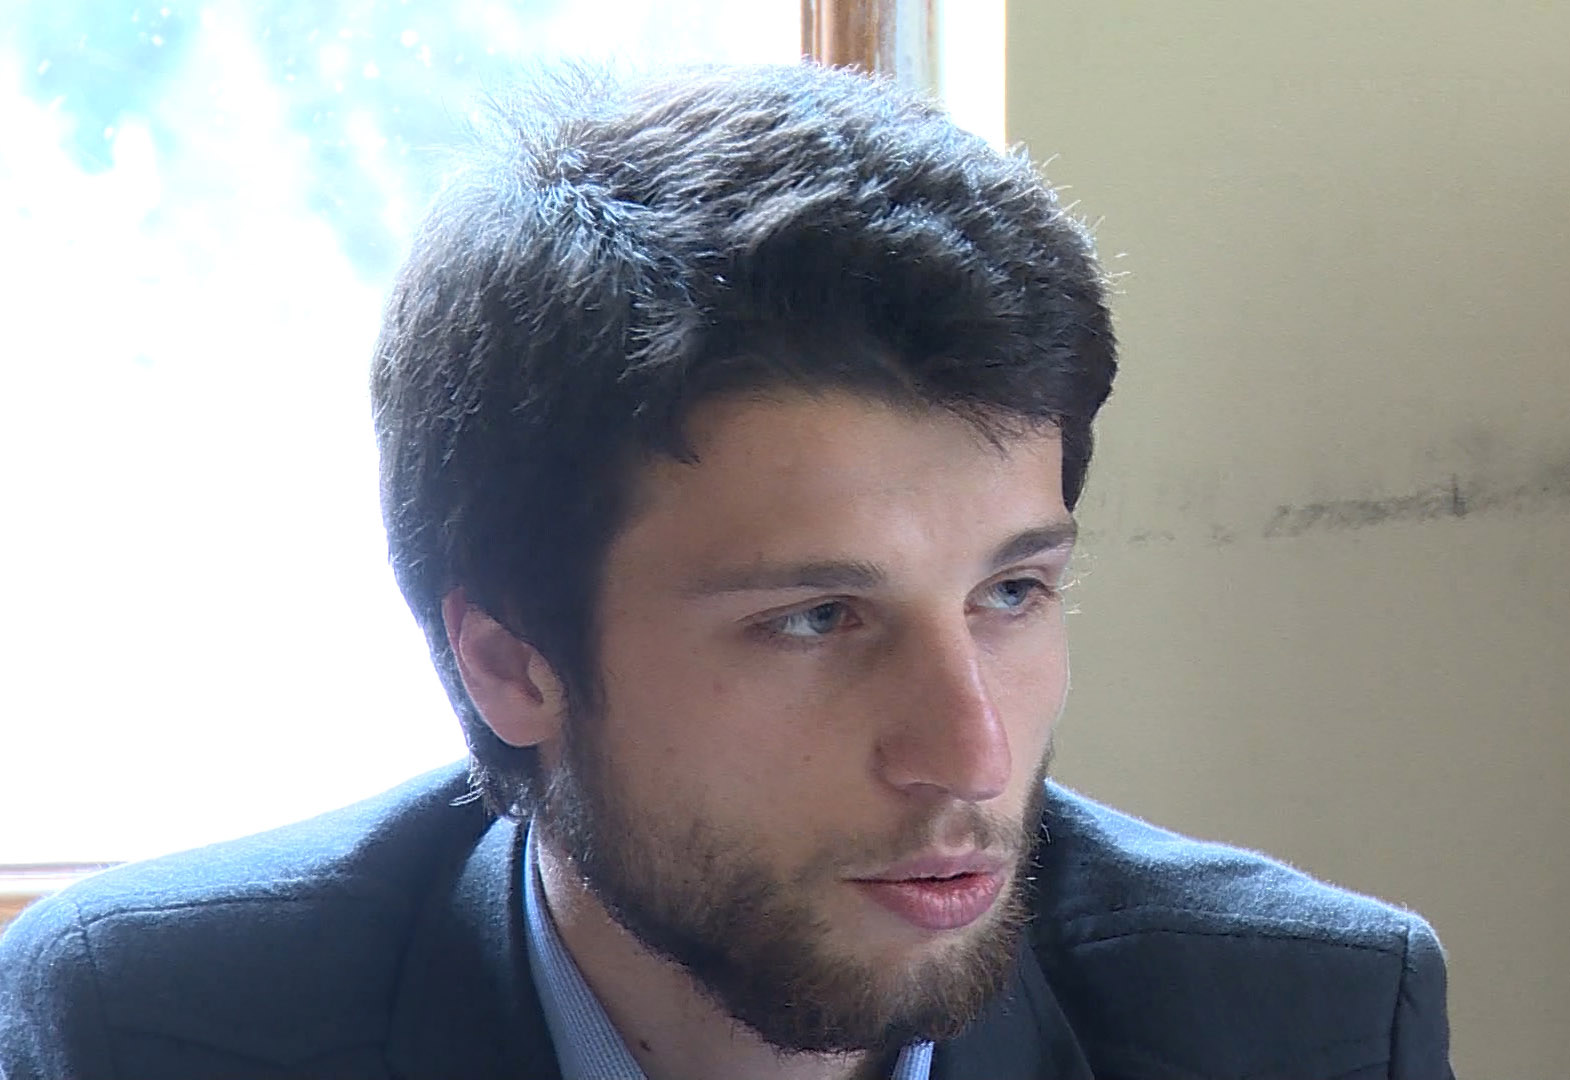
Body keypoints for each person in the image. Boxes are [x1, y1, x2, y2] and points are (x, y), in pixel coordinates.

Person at [0, 63, 1452, 1080]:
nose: (972, 752)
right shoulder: (150, 1031)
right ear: (512, 661)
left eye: (1010, 593)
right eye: (816, 618)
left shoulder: (1302, 1025)